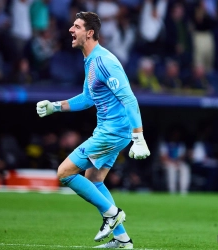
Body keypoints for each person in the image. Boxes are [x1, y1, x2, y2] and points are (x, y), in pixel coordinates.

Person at [36, 11, 150, 249]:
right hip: (110, 129)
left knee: (65, 172)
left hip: (112, 131)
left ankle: (112, 213)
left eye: (76, 26)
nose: (70, 29)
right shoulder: (90, 60)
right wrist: (56, 106)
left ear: (89, 33)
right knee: (94, 179)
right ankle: (122, 240)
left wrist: (138, 137)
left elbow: (129, 99)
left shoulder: (104, 62)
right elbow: (88, 98)